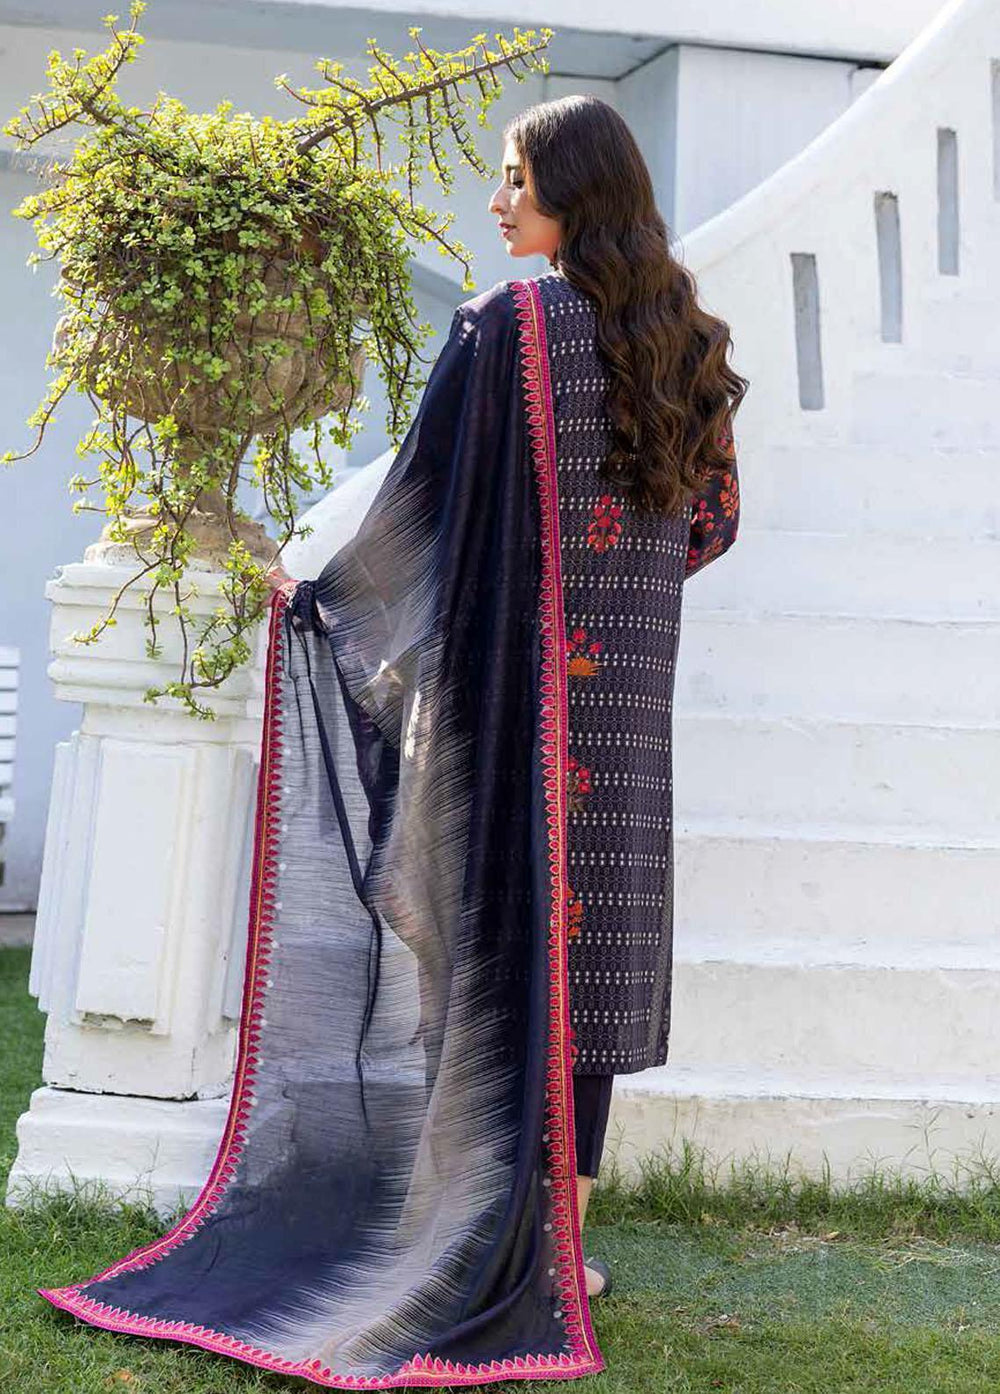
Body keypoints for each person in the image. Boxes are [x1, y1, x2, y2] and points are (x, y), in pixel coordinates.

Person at [37, 95, 744, 1387]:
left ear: (576, 188)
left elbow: (420, 511)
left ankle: (474, 1224)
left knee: (474, 930)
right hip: (624, 707)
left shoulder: (506, 329)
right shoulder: (689, 343)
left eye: (518, 176)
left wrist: (322, 604)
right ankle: (557, 1242)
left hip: (502, 704)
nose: (499, 200)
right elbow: (710, 525)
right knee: (585, 955)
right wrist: (614, 589)